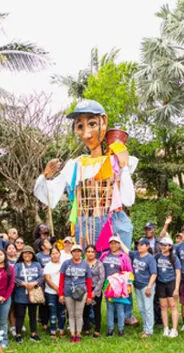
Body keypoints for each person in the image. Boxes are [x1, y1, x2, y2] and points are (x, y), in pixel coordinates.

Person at [34, 100, 137, 249]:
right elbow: (48, 194)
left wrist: (124, 167)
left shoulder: (115, 161)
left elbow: (128, 199)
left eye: (92, 124)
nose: (87, 134)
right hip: (84, 228)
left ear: (104, 121)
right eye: (80, 126)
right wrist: (46, 176)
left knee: (113, 267)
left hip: (113, 226)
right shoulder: (75, 165)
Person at [59, 244, 93, 343]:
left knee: (79, 313)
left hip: (81, 292)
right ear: (71, 253)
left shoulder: (85, 264)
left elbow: (89, 280)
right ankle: (72, 334)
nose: (76, 253)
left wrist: (89, 295)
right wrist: (60, 294)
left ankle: (78, 334)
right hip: (68, 291)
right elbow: (61, 279)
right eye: (74, 251)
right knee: (71, 313)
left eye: (78, 251)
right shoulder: (66, 263)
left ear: (81, 253)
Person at [101, 235, 134, 336]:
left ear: (119, 244)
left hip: (119, 288)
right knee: (110, 308)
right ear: (109, 244)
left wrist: (127, 285)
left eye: (116, 243)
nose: (114, 245)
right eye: (111, 243)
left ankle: (121, 329)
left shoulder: (123, 257)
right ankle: (110, 329)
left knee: (120, 308)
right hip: (108, 287)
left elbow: (129, 272)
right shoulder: (104, 255)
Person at [13, 245, 44, 344]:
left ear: (33, 255)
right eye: (25, 253)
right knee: (20, 315)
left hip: (33, 294)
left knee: (33, 315)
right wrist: (23, 284)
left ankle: (34, 334)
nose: (27, 255)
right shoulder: (18, 265)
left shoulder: (37, 264)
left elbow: (41, 277)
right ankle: (18, 334)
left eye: (29, 253)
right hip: (20, 295)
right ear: (22, 255)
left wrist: (34, 283)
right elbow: (14, 278)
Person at [128, 238, 157, 337]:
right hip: (137, 286)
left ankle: (149, 331)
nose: (139, 246)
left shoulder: (150, 258)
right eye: (138, 244)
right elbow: (126, 251)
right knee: (142, 308)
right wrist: (119, 240)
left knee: (148, 308)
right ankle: (145, 328)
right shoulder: (136, 254)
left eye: (142, 245)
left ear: (147, 246)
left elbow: (154, 274)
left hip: (146, 286)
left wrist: (149, 287)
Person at [155, 237, 181, 338]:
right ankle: (166, 328)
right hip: (161, 283)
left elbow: (178, 273)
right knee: (163, 306)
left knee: (173, 306)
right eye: (161, 244)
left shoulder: (174, 257)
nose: (162, 247)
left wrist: (176, 288)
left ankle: (174, 329)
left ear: (170, 246)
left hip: (171, 283)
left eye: (165, 245)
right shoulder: (157, 257)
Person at [83, 244, 106, 338]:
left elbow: (102, 278)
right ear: (85, 253)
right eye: (88, 251)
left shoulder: (99, 264)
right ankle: (86, 327)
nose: (90, 253)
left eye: (92, 251)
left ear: (95, 253)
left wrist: (94, 292)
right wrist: (87, 292)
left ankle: (97, 329)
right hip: (84, 289)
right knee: (85, 309)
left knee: (96, 310)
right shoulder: (82, 263)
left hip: (96, 289)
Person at [43, 246, 66, 338]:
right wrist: (57, 290)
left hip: (62, 293)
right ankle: (53, 331)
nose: (55, 255)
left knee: (62, 312)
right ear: (50, 255)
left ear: (60, 254)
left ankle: (61, 330)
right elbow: (48, 280)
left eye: (56, 253)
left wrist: (61, 292)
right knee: (53, 312)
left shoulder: (64, 265)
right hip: (50, 293)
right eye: (53, 253)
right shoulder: (48, 265)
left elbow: (66, 278)